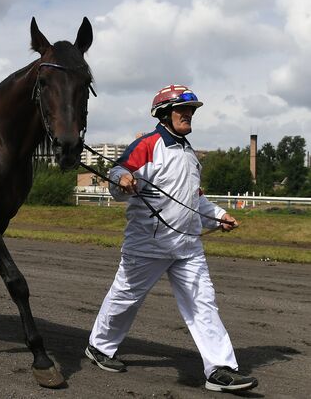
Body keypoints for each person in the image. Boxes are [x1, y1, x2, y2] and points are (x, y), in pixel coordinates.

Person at [85, 85, 258, 393]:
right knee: (125, 299)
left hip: (188, 246)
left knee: (203, 304)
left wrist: (218, 217)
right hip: (147, 245)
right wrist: (121, 180)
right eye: (183, 109)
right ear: (164, 114)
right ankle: (100, 347)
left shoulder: (190, 155)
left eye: (191, 110)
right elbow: (117, 172)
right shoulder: (147, 145)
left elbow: (193, 201)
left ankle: (220, 369)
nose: (189, 114)